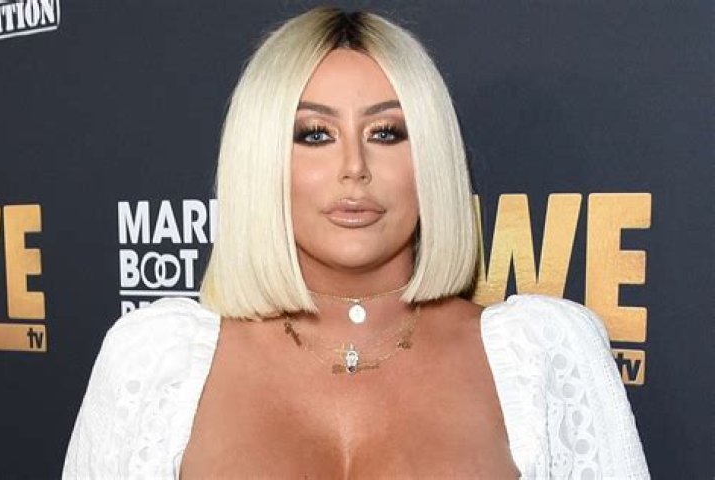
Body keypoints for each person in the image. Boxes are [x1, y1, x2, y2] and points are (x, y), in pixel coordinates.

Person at [62, 6, 649, 479]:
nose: (355, 167)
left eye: (386, 132)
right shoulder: (153, 364)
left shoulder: (544, 357)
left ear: (432, 158)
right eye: (315, 134)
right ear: (260, 158)